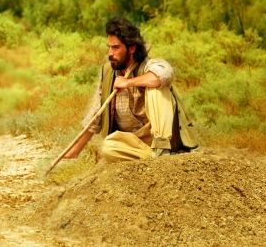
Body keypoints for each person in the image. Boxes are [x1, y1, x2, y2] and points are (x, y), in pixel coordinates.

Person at [64, 16, 197, 162]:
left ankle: (162, 150)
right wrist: (75, 150)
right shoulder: (108, 74)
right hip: (134, 144)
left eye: (115, 47)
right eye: (109, 47)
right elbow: (96, 116)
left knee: (156, 88)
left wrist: (128, 82)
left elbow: (164, 74)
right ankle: (153, 158)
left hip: (163, 138)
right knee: (108, 147)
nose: (110, 53)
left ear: (131, 48)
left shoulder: (149, 65)